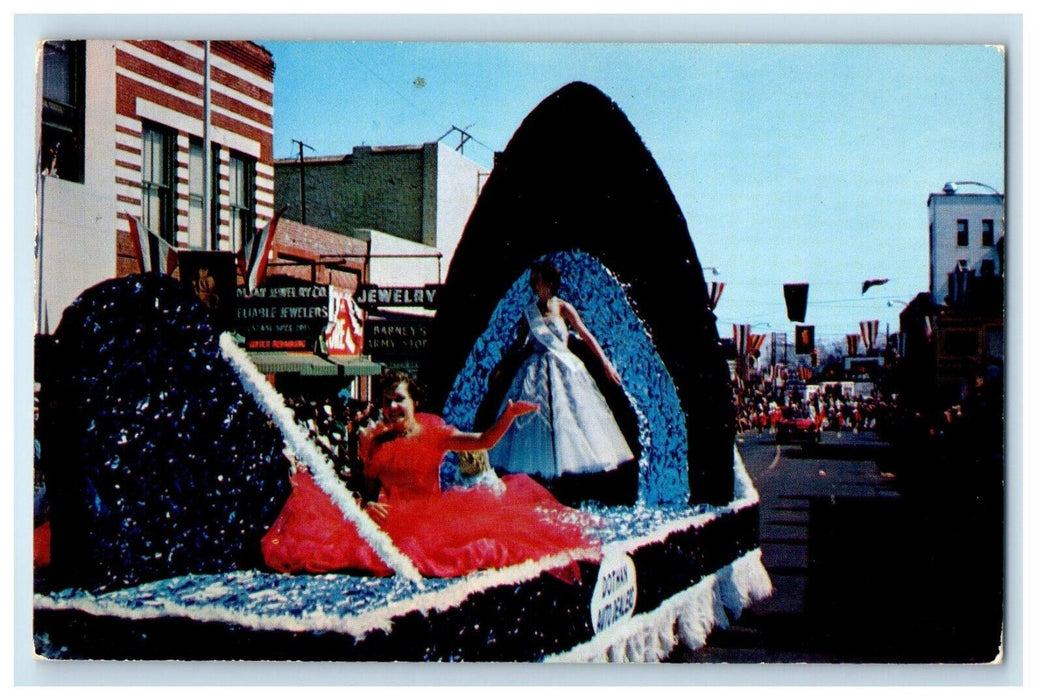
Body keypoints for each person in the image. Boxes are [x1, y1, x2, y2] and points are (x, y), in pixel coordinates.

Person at [261, 371, 600, 578]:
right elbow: (364, 487)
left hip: (431, 520)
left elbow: (482, 441)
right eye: (386, 401)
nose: (392, 407)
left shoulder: (434, 431)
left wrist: (508, 415)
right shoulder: (373, 440)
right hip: (388, 519)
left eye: (398, 400)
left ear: (413, 401)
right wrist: (363, 505)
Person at [486, 261, 634, 483]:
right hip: (535, 373)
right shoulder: (530, 313)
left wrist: (605, 363)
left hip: (564, 371)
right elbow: (520, 345)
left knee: (568, 420)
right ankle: (544, 482)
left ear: (550, 282)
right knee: (536, 424)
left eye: (538, 281)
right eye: (532, 282)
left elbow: (586, 335)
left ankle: (564, 484)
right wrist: (501, 366)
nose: (535, 287)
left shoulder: (564, 308)